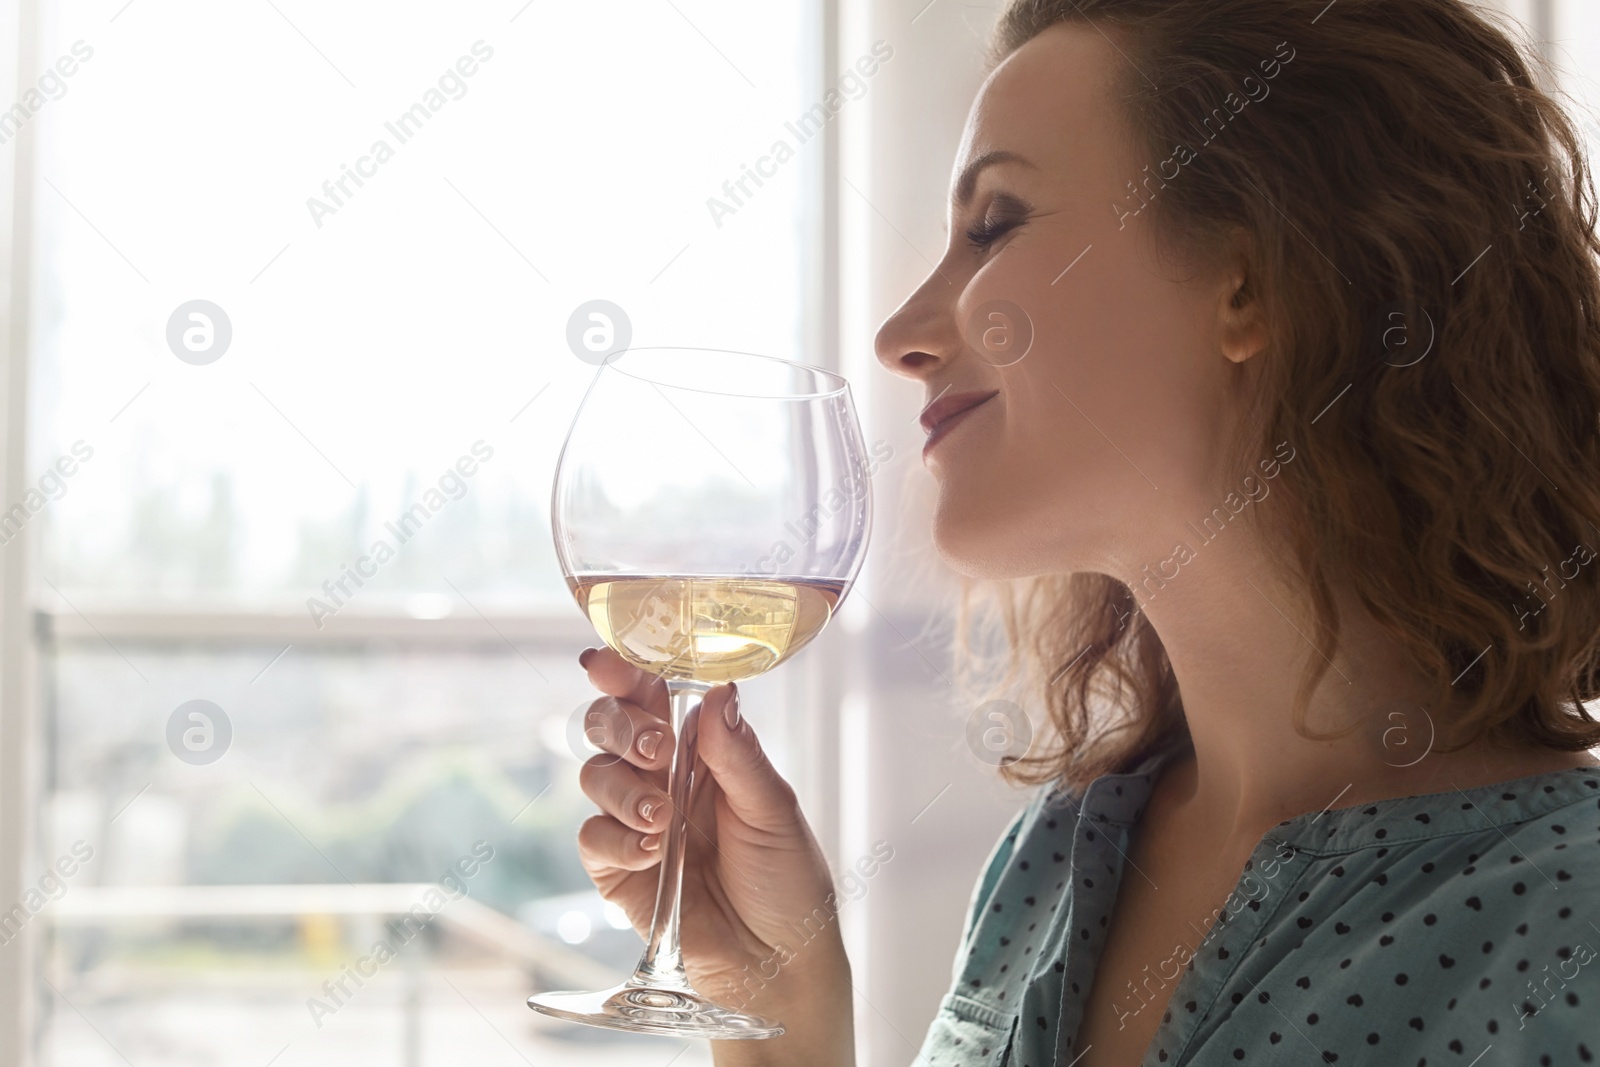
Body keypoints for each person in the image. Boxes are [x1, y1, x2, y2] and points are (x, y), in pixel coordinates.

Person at [573, 0, 1600, 1062]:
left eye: (995, 222)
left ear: (1250, 285)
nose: (898, 335)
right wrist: (776, 998)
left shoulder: (1568, 925)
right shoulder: (1053, 863)